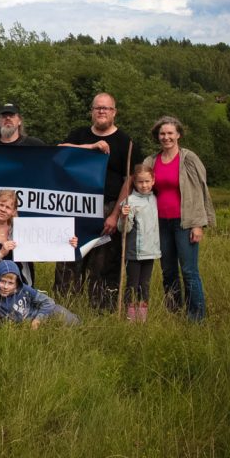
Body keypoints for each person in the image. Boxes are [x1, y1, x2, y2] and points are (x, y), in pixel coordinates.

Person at [54, 92, 142, 311]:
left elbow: (129, 179)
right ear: (92, 111)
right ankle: (64, 308)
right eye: (98, 108)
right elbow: (58, 150)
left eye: (106, 108)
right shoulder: (79, 134)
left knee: (102, 264)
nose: (102, 111)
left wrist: (115, 214)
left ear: (114, 112)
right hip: (75, 207)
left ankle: (100, 311)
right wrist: (91, 147)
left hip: (107, 208)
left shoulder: (126, 142)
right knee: (70, 258)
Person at [143, 116, 215, 321]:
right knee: (168, 272)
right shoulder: (152, 161)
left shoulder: (188, 158)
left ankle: (196, 317)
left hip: (184, 223)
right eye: (162, 134)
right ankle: (174, 311)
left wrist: (198, 224)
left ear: (178, 135)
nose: (166, 137)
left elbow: (201, 190)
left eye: (170, 133)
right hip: (161, 224)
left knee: (189, 271)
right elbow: (141, 185)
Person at [118, 164, 161, 322]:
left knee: (145, 285)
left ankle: (141, 318)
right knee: (132, 284)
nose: (144, 185)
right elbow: (124, 229)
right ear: (134, 183)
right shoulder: (130, 202)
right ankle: (130, 316)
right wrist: (124, 217)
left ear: (153, 181)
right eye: (140, 182)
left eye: (147, 181)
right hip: (134, 253)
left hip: (151, 251)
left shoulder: (155, 199)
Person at [0, 261, 81, 327]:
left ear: (17, 283)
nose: (5, 286)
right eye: (2, 281)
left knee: (71, 320)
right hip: (25, 325)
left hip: (43, 313)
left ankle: (80, 322)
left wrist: (38, 319)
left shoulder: (24, 289)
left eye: (10, 283)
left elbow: (48, 302)